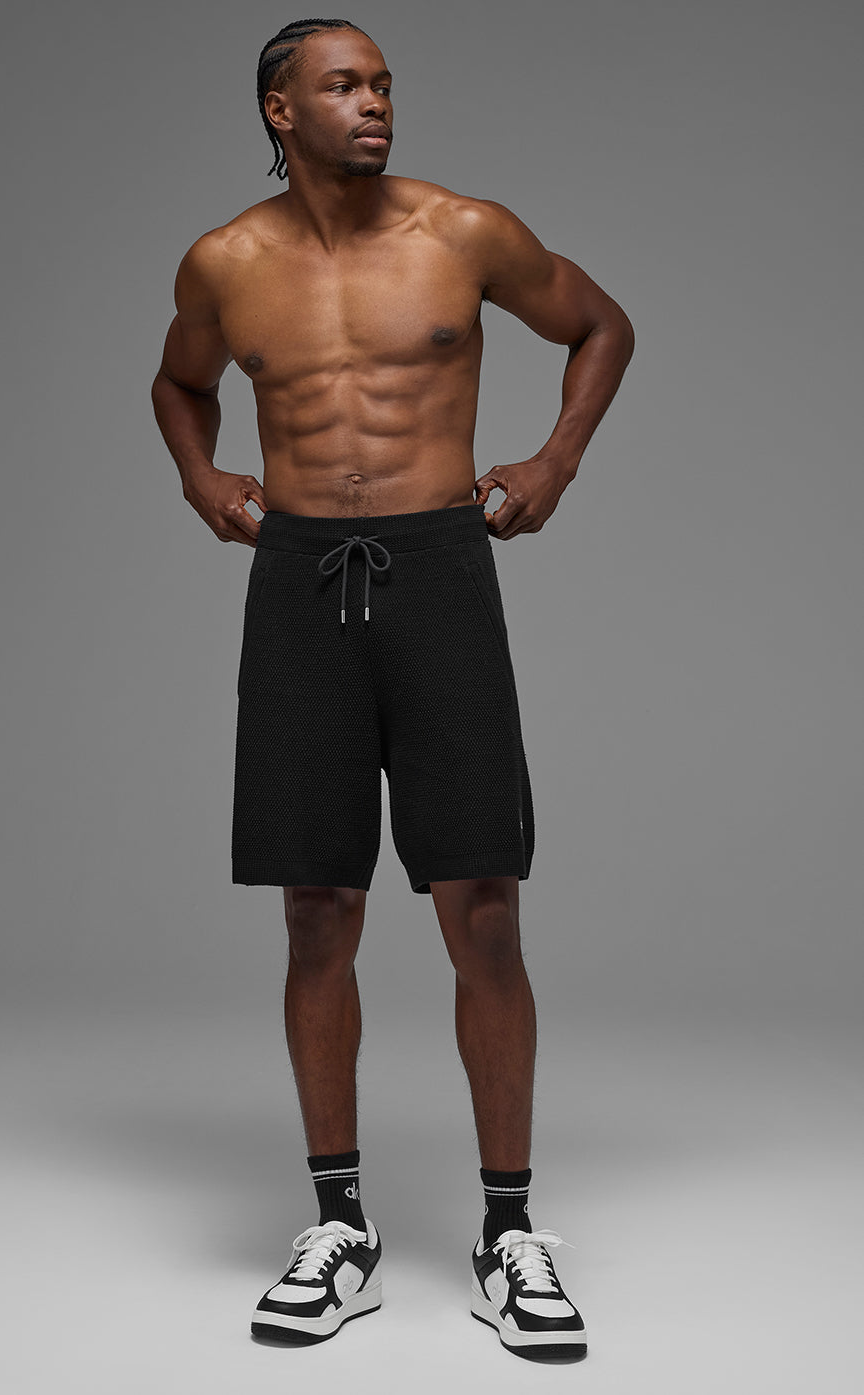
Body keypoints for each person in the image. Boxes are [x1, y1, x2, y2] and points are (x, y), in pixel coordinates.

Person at [151, 16, 633, 1361]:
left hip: (438, 570)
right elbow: (179, 385)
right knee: (318, 912)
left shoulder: (461, 231)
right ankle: (341, 1231)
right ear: (280, 109)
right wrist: (201, 479)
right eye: (344, 85)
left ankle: (508, 1235)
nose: (375, 104)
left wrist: (554, 462)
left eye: (383, 84)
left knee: (483, 909)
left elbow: (599, 324)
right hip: (298, 581)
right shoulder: (224, 263)